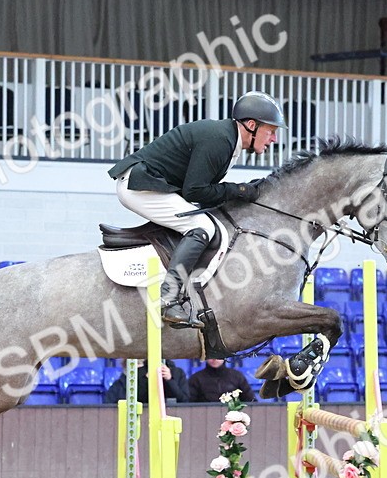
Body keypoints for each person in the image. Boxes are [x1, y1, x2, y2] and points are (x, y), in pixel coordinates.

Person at [107, 91, 287, 329]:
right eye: (271, 131)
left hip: (151, 184)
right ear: (251, 125)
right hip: (140, 186)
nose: (273, 138)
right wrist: (237, 190)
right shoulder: (220, 140)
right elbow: (196, 192)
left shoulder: (228, 141)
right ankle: (168, 298)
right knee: (202, 227)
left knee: (206, 222)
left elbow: (202, 191)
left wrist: (237, 191)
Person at [103, 359, 189, 404]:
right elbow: (138, 399)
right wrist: (145, 379)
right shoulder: (121, 383)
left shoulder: (177, 372)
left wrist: (169, 380)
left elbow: (184, 400)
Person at [188, 358, 257, 403]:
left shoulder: (237, 376)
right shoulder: (196, 378)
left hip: (233, 419)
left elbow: (252, 401)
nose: (214, 359)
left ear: (225, 357)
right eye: (211, 355)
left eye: (218, 356)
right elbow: (189, 405)